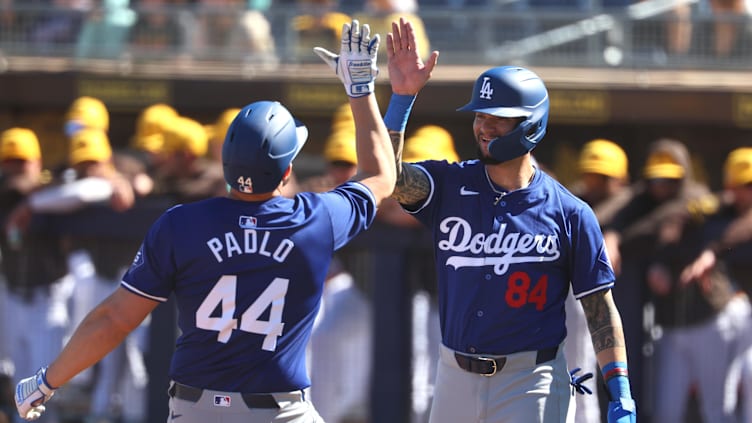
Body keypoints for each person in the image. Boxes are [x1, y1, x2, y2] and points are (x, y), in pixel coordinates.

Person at [15, 17, 394, 423]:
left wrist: (47, 382)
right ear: (287, 173)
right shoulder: (315, 218)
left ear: (225, 163)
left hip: (196, 410)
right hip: (281, 413)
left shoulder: (181, 224)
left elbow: (113, 319)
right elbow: (381, 175)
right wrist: (360, 90)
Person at [379, 17, 636, 423]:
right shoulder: (451, 184)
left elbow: (599, 309)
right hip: (453, 375)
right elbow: (387, 178)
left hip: (530, 377)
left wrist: (619, 390)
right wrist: (402, 99)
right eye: (481, 114)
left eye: (498, 116)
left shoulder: (570, 213)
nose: (484, 125)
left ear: (530, 124)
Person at [565, 138, 631, 423]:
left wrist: (614, 233)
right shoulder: (572, 201)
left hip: (616, 303)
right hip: (573, 297)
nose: (595, 183)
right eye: (592, 176)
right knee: (573, 372)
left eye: (604, 178)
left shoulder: (632, 201)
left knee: (585, 376)